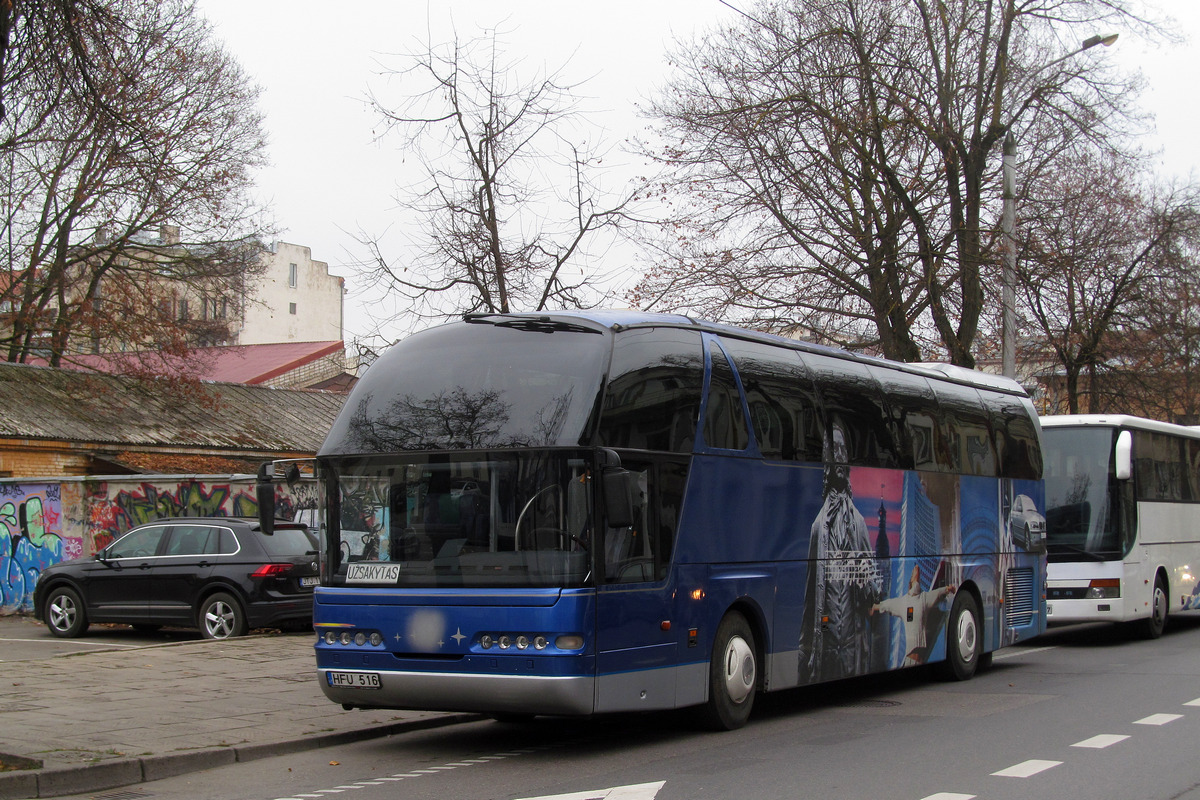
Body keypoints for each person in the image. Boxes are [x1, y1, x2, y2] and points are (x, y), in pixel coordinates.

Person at [798, 417, 884, 684]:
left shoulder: (858, 523)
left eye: (842, 449)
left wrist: (865, 578)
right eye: (833, 449)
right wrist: (804, 653)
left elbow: (873, 594)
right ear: (826, 459)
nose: (838, 455)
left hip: (852, 647)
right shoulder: (817, 529)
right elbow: (810, 601)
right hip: (826, 648)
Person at [871, 565, 956, 666]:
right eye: (913, 576)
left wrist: (948, 589)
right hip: (910, 661)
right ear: (910, 582)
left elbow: (938, 593)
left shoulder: (924, 598)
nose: (916, 578)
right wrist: (874, 607)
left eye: (918, 578)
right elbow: (887, 604)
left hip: (921, 661)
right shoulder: (904, 602)